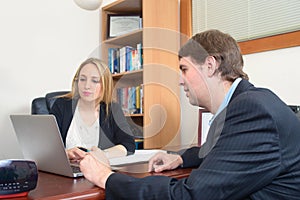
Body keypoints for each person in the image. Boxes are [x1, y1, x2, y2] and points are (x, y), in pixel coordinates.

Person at [79, 30, 300, 199]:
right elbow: (220, 152)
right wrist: (181, 157)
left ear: (210, 65)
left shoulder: (251, 110)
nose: (179, 79)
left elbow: (190, 195)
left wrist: (106, 178)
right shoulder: (244, 103)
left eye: (184, 69)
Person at [50, 58, 135, 161]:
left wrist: (102, 155)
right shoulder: (61, 105)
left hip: (99, 170)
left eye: (94, 81)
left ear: (105, 84)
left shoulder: (112, 109)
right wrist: (65, 154)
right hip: (66, 169)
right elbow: (47, 145)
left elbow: (128, 144)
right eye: (82, 79)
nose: (87, 86)